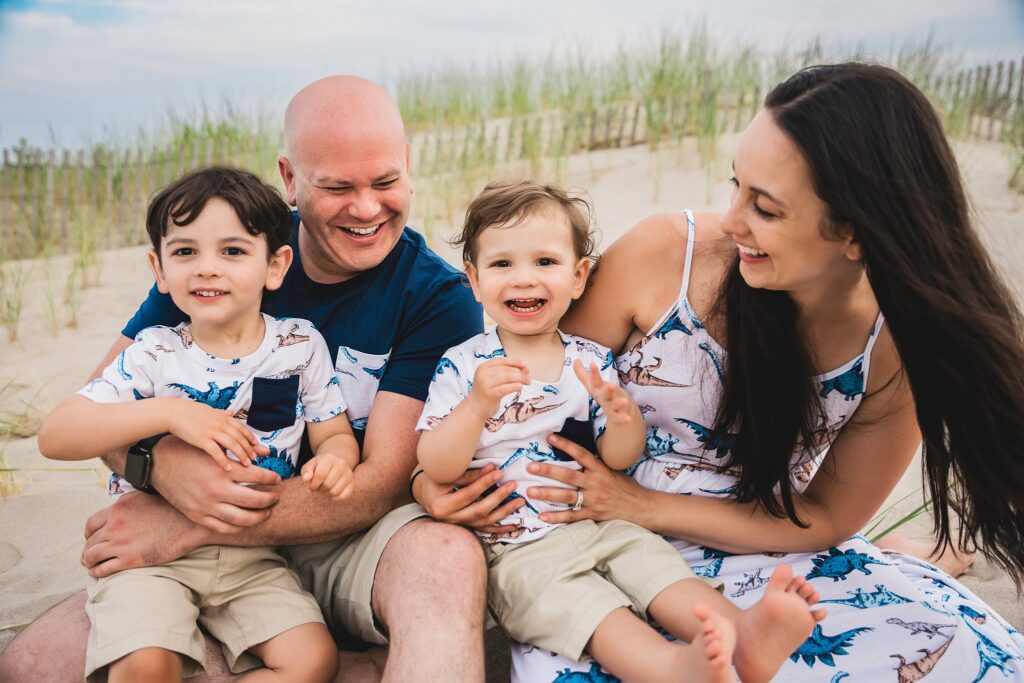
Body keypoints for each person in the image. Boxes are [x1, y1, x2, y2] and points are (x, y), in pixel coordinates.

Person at [419, 63, 1024, 681]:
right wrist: (430, 486)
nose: (730, 220)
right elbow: (539, 398)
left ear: (855, 232)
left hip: (754, 545)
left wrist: (645, 507)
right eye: (735, 185)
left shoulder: (894, 346)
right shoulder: (666, 255)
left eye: (763, 207)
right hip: (580, 543)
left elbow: (828, 516)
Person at [0, 76, 488, 683]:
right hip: (194, 559)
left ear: (408, 166)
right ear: (290, 178)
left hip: (342, 540)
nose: (367, 208)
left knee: (446, 559)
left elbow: (381, 482)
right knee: (31, 664)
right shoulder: (226, 254)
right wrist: (157, 466)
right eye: (336, 187)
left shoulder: (437, 297)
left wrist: (191, 520)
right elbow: (95, 420)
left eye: (385, 182)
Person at [415, 180, 824, 683]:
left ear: (579, 276)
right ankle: (667, 667)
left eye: (545, 263)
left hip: (597, 519)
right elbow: (437, 463)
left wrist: (624, 417)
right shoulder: (463, 364)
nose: (523, 279)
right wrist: (477, 405)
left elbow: (617, 458)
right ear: (474, 281)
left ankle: (744, 634)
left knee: (655, 567)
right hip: (517, 545)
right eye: (503, 265)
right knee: (584, 606)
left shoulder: (589, 358)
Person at [39, 166, 359, 683]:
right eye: (185, 252)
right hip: (146, 554)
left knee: (312, 660)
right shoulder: (154, 353)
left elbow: (334, 432)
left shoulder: (300, 346)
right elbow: (57, 435)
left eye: (232, 251)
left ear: (275, 266)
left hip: (254, 556)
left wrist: (337, 461)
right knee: (146, 666)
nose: (207, 268)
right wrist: (169, 412)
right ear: (159, 269)